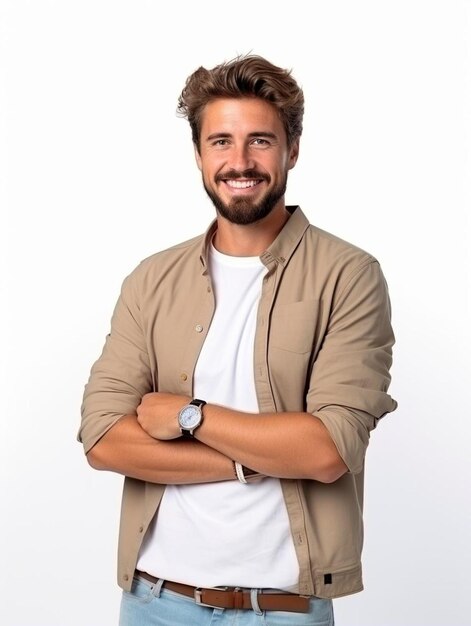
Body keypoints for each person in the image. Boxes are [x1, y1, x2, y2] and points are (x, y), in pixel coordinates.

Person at [78, 53, 397, 626]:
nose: (240, 162)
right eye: (221, 141)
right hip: (154, 603)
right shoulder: (152, 279)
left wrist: (190, 416)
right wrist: (258, 459)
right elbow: (104, 439)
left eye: (260, 141)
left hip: (281, 611)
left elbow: (327, 451)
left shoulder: (348, 275)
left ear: (292, 150)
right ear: (199, 154)